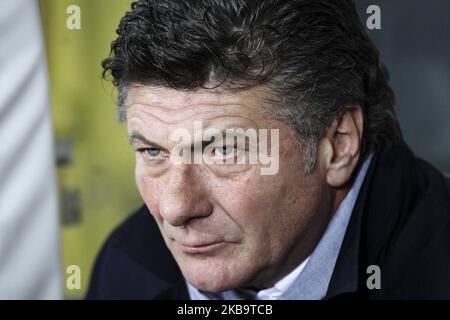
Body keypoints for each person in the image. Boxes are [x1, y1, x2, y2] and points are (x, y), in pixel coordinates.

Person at [86, 0, 450, 299]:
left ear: (338, 145)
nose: (175, 209)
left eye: (223, 151)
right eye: (153, 153)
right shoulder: (128, 268)